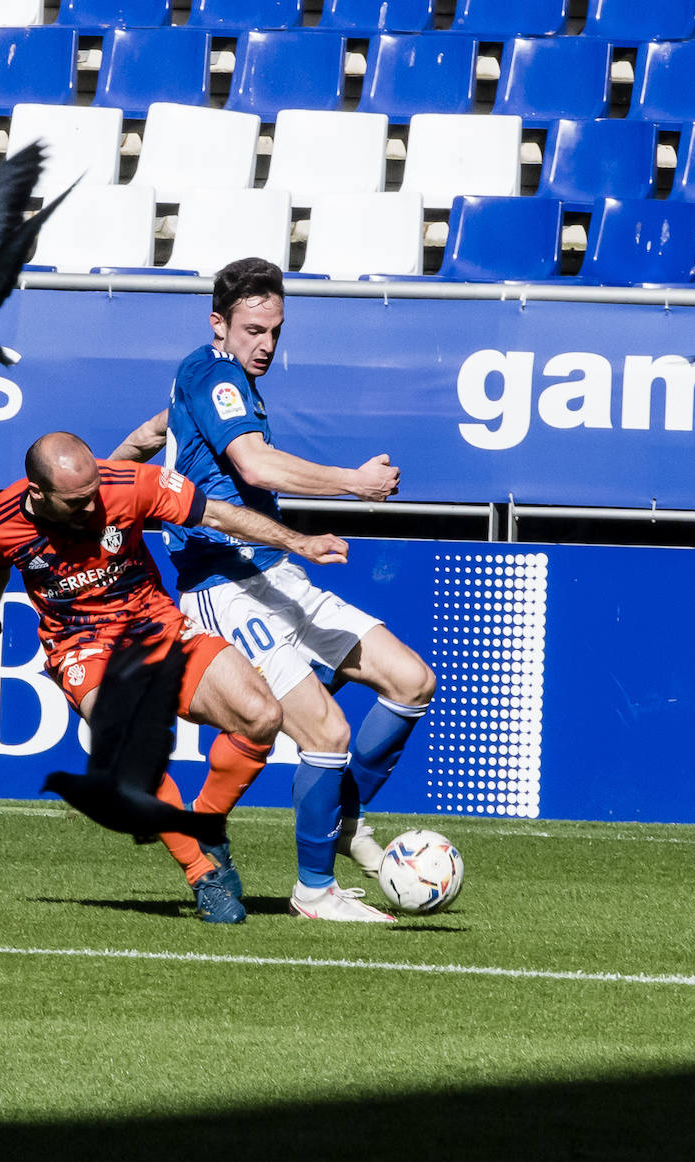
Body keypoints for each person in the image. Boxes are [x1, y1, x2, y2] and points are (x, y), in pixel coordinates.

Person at [114, 258, 436, 923]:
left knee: (410, 680)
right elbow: (254, 463)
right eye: (253, 329)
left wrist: (106, 478)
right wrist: (354, 482)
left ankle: (342, 819)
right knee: (326, 729)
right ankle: (315, 891)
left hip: (276, 571)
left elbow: (155, 433)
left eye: (275, 331)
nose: (266, 344)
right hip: (222, 583)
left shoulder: (200, 375)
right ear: (219, 325)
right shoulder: (220, 378)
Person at [0, 430, 348, 925]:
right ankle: (202, 874)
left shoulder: (128, 484)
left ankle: (208, 824)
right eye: (76, 503)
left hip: (156, 625)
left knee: (261, 715)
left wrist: (296, 540)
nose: (91, 509)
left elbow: (215, 513)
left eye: (94, 496)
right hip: (82, 645)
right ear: (37, 493)